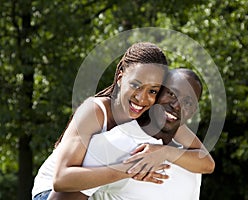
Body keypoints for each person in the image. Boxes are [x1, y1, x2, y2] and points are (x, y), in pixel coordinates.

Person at [49, 68, 215, 200]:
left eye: (188, 102)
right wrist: (131, 169)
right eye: (171, 93)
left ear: (193, 111)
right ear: (156, 95)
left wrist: (164, 153)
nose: (177, 105)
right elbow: (61, 187)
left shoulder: (191, 160)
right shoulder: (114, 142)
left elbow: (208, 164)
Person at [32, 42, 169, 200]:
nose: (141, 98)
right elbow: (61, 179)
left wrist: (165, 152)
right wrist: (132, 169)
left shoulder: (151, 117)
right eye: (135, 85)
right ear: (119, 78)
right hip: (49, 194)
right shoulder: (94, 111)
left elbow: (202, 160)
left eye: (152, 91)